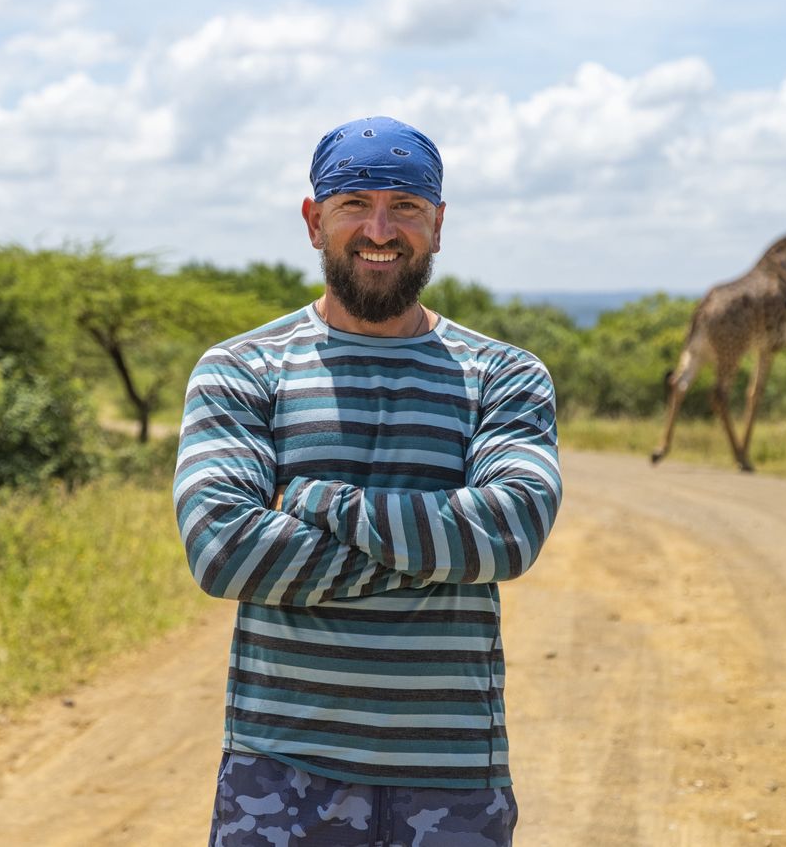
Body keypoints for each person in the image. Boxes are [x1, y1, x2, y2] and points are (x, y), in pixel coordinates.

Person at [174, 115, 562, 846]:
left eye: (406, 207)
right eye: (355, 204)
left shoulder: (503, 375)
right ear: (314, 218)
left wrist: (316, 500)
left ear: (438, 225)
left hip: (454, 783)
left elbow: (507, 536)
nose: (380, 228)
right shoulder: (242, 369)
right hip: (279, 776)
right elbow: (225, 553)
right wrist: (438, 558)